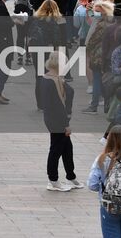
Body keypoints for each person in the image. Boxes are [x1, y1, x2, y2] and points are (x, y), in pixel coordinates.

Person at [37, 53, 79, 191]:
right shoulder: (53, 81)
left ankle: (71, 176)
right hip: (57, 120)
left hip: (53, 118)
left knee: (67, 148)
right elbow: (58, 104)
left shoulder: (53, 78)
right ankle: (53, 180)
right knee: (56, 149)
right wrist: (66, 124)